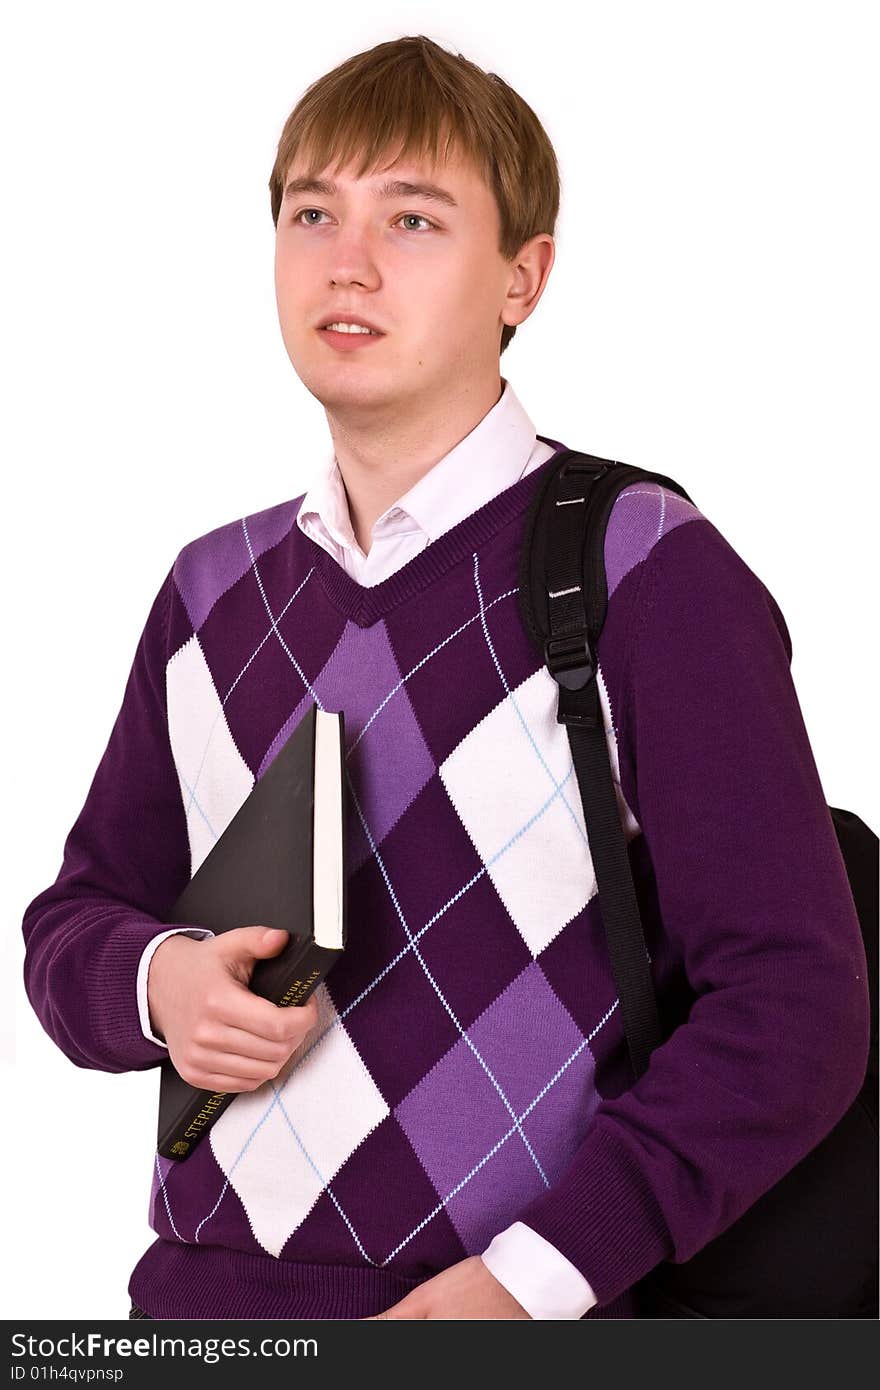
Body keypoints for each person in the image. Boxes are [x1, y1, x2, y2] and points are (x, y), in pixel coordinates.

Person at [21, 34, 869, 1322]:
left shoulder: (643, 568)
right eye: (314, 212)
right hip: (207, 1323)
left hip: (508, 1324)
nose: (347, 262)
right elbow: (75, 920)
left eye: (413, 217)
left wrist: (540, 1280)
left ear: (522, 279)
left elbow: (795, 1007)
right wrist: (159, 986)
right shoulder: (209, 592)